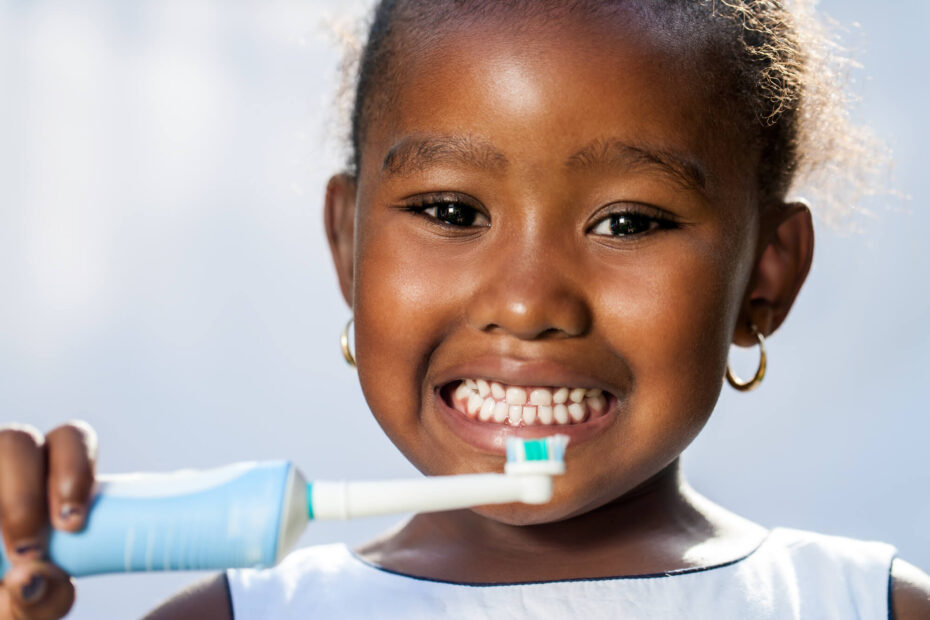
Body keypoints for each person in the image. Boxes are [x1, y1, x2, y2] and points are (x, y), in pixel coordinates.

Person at [2, 1, 929, 618]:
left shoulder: (867, 606)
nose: (528, 301)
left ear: (766, 277)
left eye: (628, 221)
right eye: (451, 212)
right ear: (349, 244)